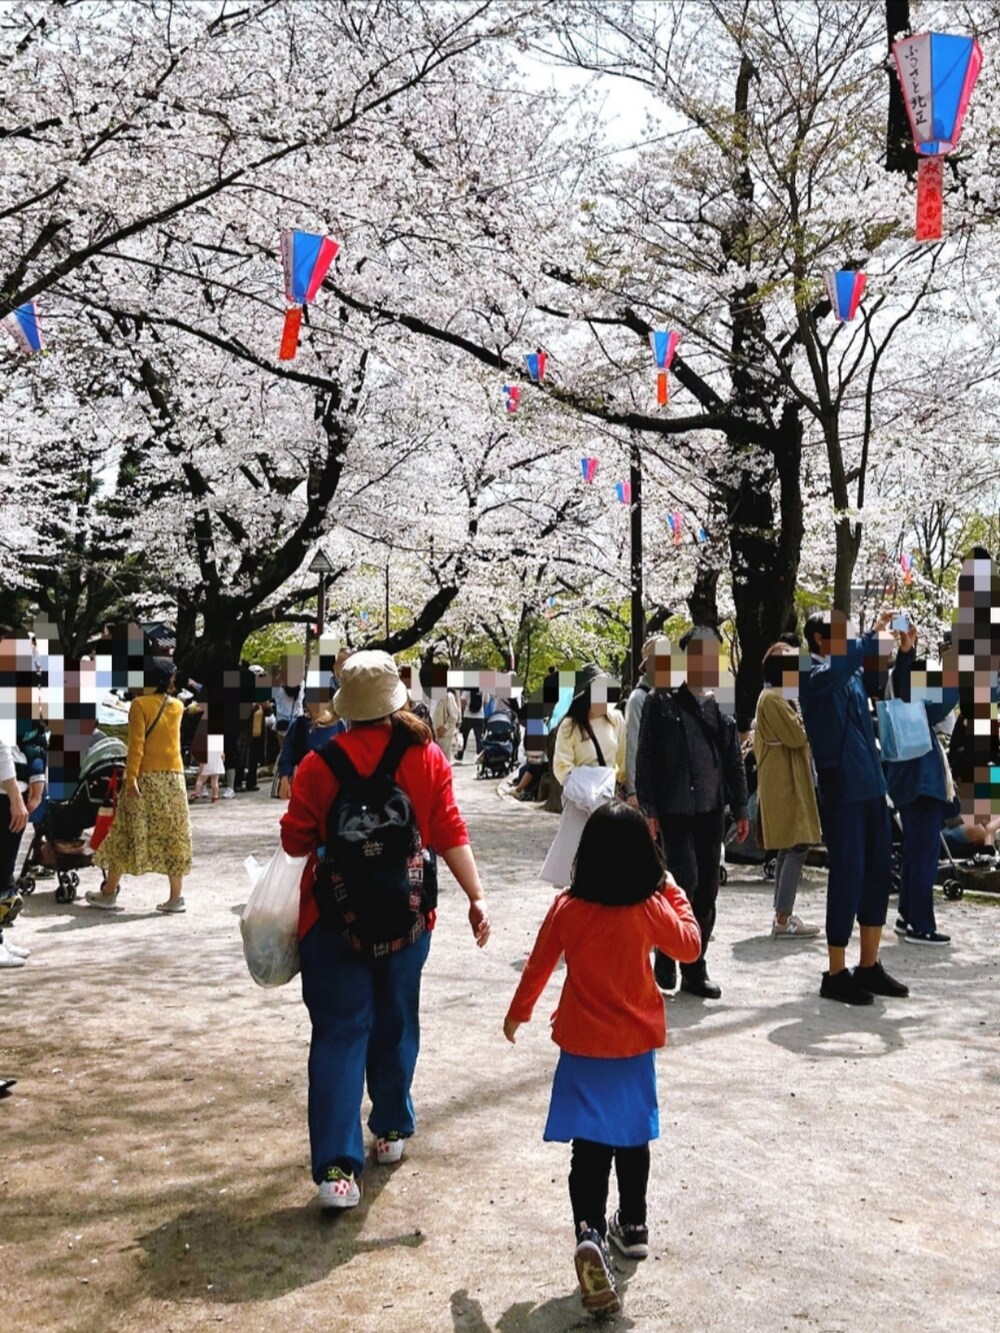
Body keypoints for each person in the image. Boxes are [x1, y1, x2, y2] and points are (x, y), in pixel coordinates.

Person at [280, 651, 490, 1210]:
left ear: (347, 708)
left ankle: (337, 1172)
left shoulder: (319, 765)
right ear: (396, 700)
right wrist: (476, 897)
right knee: (396, 1019)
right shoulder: (426, 757)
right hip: (407, 918)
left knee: (339, 1033)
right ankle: (391, 1129)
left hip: (333, 922)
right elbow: (448, 828)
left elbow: (294, 841)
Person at [504, 802, 701, 1317]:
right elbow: (690, 946)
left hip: (583, 1044)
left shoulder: (568, 908)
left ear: (585, 855)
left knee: (589, 1150)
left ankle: (589, 1230)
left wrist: (517, 1015)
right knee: (633, 1138)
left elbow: (540, 966)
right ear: (646, 860)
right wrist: (670, 887)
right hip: (633, 1047)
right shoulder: (649, 907)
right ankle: (633, 1225)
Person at [799, 609, 909, 1004]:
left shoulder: (850, 674)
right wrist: (871, 636)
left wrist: (904, 651)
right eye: (841, 634)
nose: (849, 640)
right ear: (818, 640)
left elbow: (877, 680)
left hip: (872, 788)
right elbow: (846, 665)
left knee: (878, 872)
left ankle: (869, 964)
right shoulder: (809, 674)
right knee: (847, 875)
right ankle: (834, 971)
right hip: (842, 790)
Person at [635, 628, 748, 999]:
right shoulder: (661, 702)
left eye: (713, 654)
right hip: (674, 808)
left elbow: (733, 761)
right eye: (700, 654)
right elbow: (646, 756)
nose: (707, 661)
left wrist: (741, 807)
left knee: (708, 890)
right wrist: (648, 805)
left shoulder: (721, 705)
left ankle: (694, 966)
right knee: (684, 881)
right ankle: (669, 951)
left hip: (710, 810)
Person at [85, 657, 192, 914]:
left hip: (144, 778)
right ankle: (176, 897)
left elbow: (137, 747)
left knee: (124, 832)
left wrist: (130, 778)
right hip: (174, 778)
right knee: (174, 834)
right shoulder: (177, 706)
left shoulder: (139, 705)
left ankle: (109, 892)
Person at [887, 620, 959, 945]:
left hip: (911, 784)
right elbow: (940, 703)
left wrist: (908, 647)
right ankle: (921, 924)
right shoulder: (912, 703)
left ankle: (907, 914)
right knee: (923, 855)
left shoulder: (903, 698)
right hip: (920, 786)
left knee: (916, 852)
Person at [753, 643, 821, 939]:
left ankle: (782, 913)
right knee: (796, 845)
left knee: (788, 845)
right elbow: (797, 735)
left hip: (785, 778)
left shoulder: (775, 697)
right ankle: (783, 916)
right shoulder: (774, 700)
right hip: (785, 781)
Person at [540, 665, 626, 888]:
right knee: (577, 852)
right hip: (579, 799)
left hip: (608, 798)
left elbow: (623, 759)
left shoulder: (615, 720)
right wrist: (584, 791)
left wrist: (618, 784)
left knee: (608, 854)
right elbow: (562, 765)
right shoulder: (569, 725)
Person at [0, 737, 43, 968]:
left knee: (4, 871)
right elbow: (1, 747)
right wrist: (16, 796)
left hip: (8, 788)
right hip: (4, 791)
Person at [276, 691, 345, 799]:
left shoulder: (339, 725)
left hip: (332, 788)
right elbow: (286, 756)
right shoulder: (298, 725)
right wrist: (284, 780)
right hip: (304, 786)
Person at [432, 687, 461, 762]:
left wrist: (444, 728)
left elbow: (454, 716)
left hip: (444, 735)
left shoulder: (448, 696)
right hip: (434, 734)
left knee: (444, 761)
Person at [457, 686, 486, 761]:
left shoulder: (467, 689)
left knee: (464, 737)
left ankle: (461, 754)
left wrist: (463, 711)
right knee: (479, 738)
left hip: (467, 716)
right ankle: (479, 756)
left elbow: (462, 701)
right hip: (480, 717)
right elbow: (486, 702)